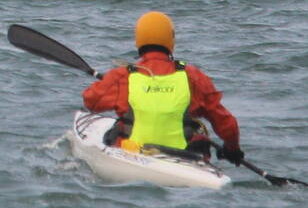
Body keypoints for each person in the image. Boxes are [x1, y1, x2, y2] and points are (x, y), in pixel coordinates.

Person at [82, 11, 243, 163]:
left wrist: (109, 83)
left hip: (133, 153)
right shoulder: (193, 76)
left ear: (138, 39)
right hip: (185, 156)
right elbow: (227, 123)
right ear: (171, 39)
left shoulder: (123, 75)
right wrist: (232, 149)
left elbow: (91, 102)